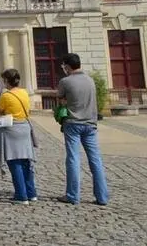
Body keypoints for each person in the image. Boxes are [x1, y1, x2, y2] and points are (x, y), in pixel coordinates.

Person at [57, 53, 109, 206]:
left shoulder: (65, 81)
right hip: (90, 124)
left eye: (64, 66)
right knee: (95, 160)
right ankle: (102, 197)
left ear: (67, 66)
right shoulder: (90, 80)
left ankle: (73, 195)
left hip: (73, 123)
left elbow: (61, 99)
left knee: (73, 158)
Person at [0, 68, 37, 204]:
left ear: (7, 81)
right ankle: (31, 193)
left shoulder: (6, 96)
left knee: (15, 162)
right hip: (25, 128)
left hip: (12, 130)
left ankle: (21, 195)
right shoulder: (24, 92)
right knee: (26, 162)